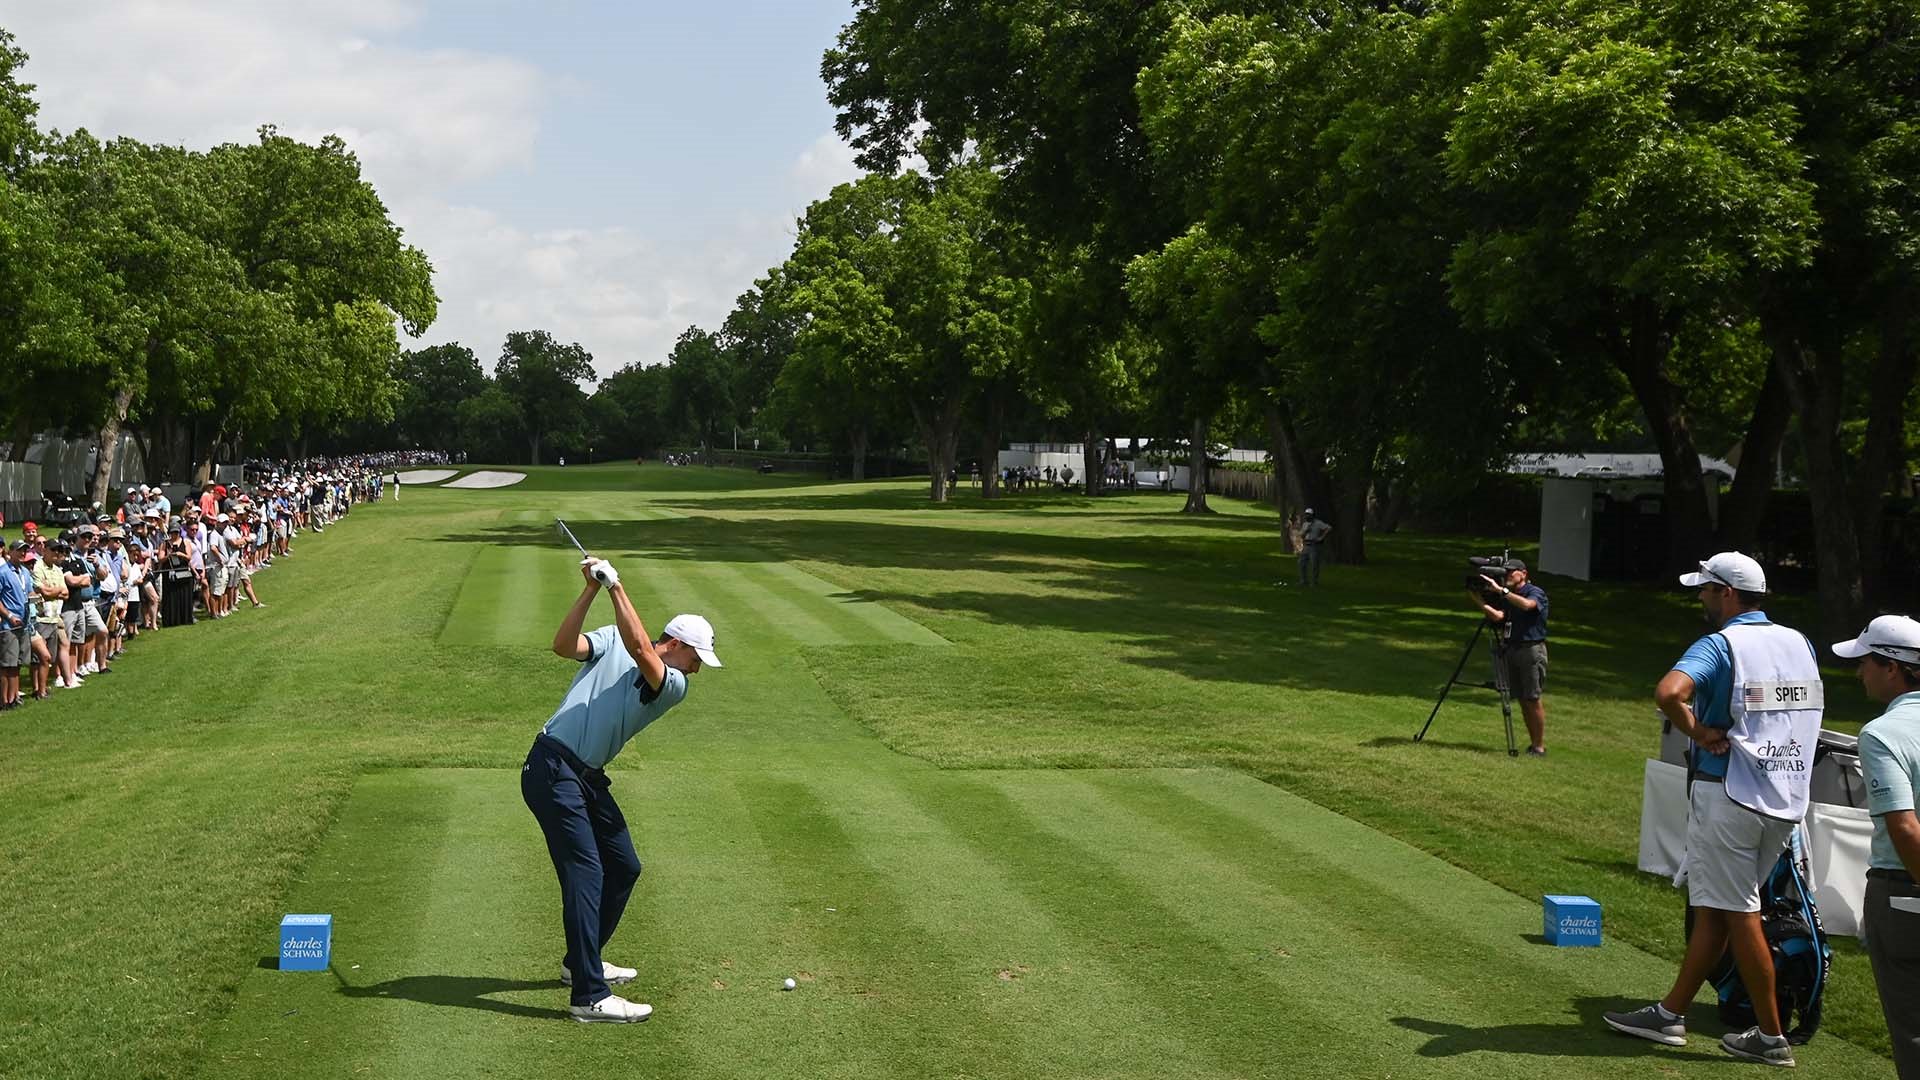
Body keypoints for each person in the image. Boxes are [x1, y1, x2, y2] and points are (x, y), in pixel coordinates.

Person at [1605, 552, 1822, 1067]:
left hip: (1729, 793)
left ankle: (1771, 1039)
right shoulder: (1800, 642)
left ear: (1727, 593)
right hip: (1785, 796)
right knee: (1718, 910)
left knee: (1739, 910)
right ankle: (1670, 1013)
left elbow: (1669, 692)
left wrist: (1699, 731)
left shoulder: (1720, 644)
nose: (1700, 597)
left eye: (1705, 589)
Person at [522, 555, 722, 1023]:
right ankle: (589, 997)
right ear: (675, 643)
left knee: (623, 865)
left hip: (585, 776)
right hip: (552, 766)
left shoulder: (671, 684)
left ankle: (581, 963)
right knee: (586, 873)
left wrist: (616, 587)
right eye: (696, 658)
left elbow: (639, 649)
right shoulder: (613, 639)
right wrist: (593, 588)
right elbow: (562, 646)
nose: (696, 669)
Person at [1831, 614, 1920, 1077]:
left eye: (1865, 661)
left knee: (1913, 1032)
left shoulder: (1881, 733)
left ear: (1892, 666)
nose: (1859, 671)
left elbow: (1904, 827)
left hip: (1905, 894)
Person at [1473, 557, 1550, 755]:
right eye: (1504, 573)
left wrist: (1502, 592)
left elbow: (1528, 606)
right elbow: (1500, 617)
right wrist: (1479, 601)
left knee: (1532, 697)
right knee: (1522, 699)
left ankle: (1539, 746)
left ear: (1523, 573)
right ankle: (1533, 745)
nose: (1506, 576)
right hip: (1512, 648)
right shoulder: (1510, 595)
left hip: (1531, 649)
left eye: (1510, 572)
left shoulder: (1534, 592)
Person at [1293, 508, 1332, 587]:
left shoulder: (1318, 523)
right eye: (1306, 514)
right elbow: (1301, 535)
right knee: (1301, 563)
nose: (1307, 516)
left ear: (1312, 515)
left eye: (1309, 514)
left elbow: (1328, 528)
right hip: (1306, 545)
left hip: (1314, 545)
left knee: (1314, 564)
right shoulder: (1305, 524)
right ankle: (1303, 581)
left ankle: (1314, 582)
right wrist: (1305, 532)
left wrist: (1321, 537)